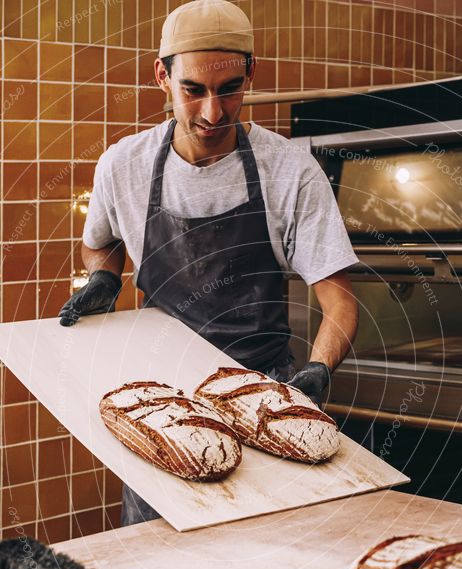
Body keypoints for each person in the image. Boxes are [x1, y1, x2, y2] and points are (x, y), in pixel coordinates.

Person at [59, 0, 359, 526]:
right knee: (163, 557)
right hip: (164, 410)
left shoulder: (289, 170)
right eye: (192, 90)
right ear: (162, 76)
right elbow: (101, 241)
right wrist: (105, 275)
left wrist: (316, 371)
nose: (212, 114)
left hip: (263, 398)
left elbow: (338, 298)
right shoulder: (123, 164)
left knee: (267, 554)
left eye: (229, 91)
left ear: (251, 74)